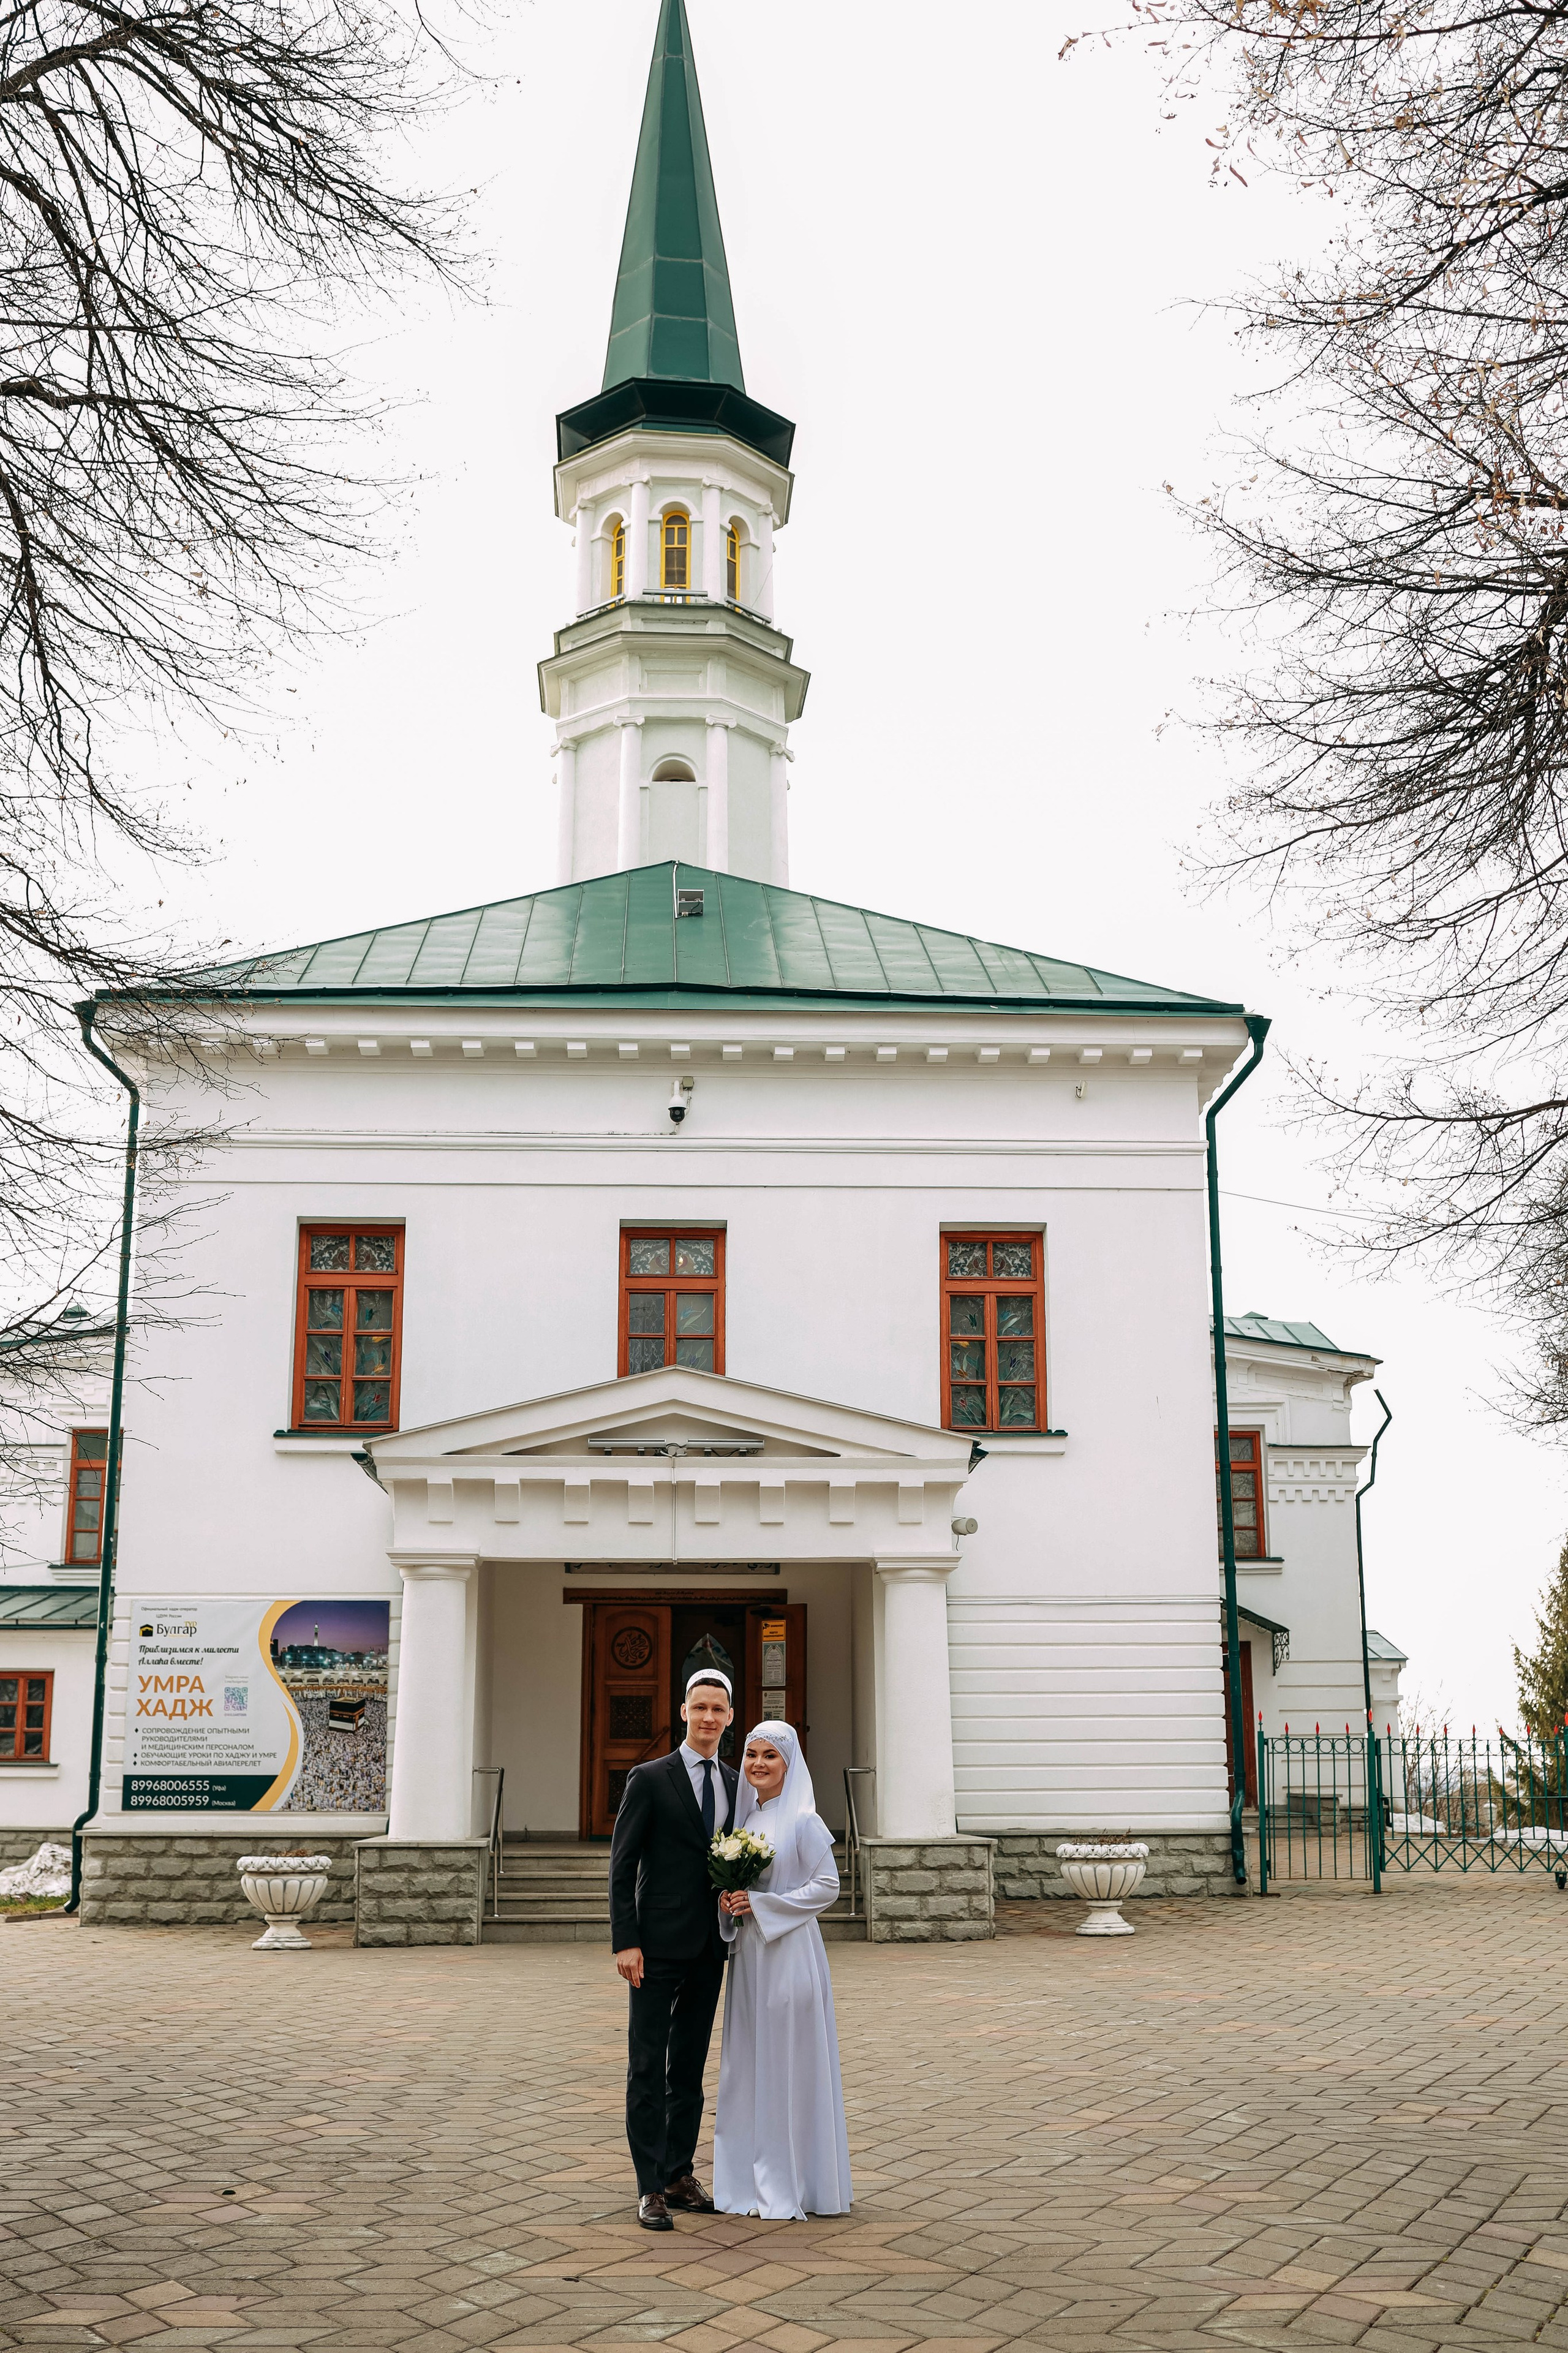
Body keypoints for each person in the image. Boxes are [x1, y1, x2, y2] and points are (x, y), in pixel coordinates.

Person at [609, 1669, 740, 2232]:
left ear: (729, 1717)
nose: (708, 1717)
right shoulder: (649, 1777)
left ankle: (678, 2173)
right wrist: (627, 1939)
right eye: (699, 1707)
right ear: (682, 1712)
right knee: (646, 2064)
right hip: (655, 1948)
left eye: (718, 1709)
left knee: (687, 2067)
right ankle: (647, 2188)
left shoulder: (739, 1785)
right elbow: (622, 1866)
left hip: (711, 1947)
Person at [714, 1720, 853, 2220]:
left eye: (769, 1755)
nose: (757, 1764)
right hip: (751, 1957)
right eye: (751, 1754)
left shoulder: (804, 1820)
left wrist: (767, 1905)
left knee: (787, 2062)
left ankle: (794, 2180)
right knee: (747, 2062)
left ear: (789, 1764)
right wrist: (730, 1903)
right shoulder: (744, 1821)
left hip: (790, 1953)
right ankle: (745, 2182)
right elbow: (740, 1890)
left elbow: (827, 1886)